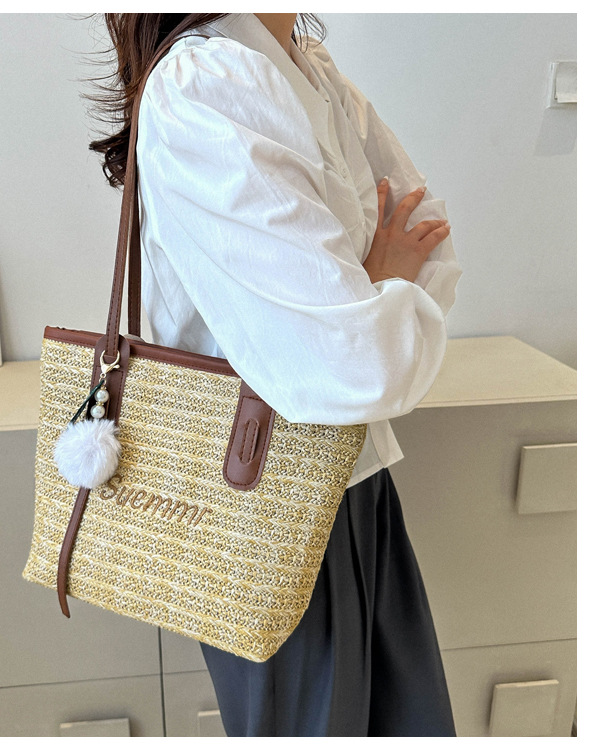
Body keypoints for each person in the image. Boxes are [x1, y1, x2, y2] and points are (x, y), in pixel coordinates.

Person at [87, 12, 461, 737]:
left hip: (353, 479)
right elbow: (357, 361)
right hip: (264, 502)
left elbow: (432, 253)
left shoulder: (308, 68)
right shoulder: (208, 80)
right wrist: (378, 286)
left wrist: (371, 292)